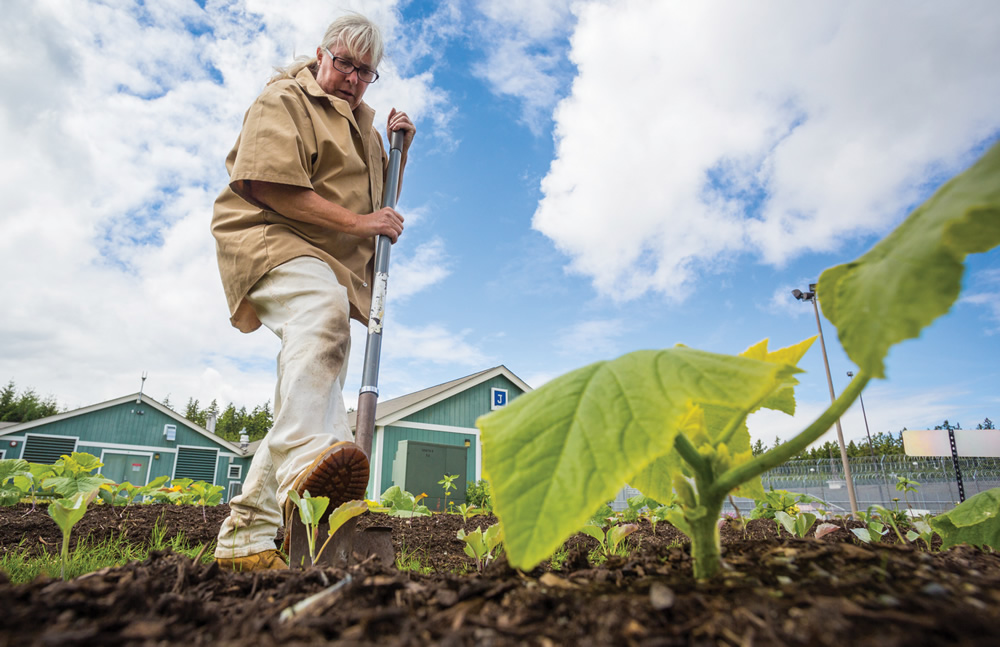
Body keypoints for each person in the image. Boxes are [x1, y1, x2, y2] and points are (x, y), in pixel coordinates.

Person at [210, 13, 415, 571]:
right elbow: (267, 184)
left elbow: (378, 200)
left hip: (327, 259)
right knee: (322, 317)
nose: (351, 76)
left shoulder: (366, 130)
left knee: (314, 387)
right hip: (270, 236)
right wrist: (361, 226)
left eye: (364, 71)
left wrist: (401, 150)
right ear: (322, 54)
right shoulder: (284, 100)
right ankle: (308, 465)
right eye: (344, 62)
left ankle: (246, 537)